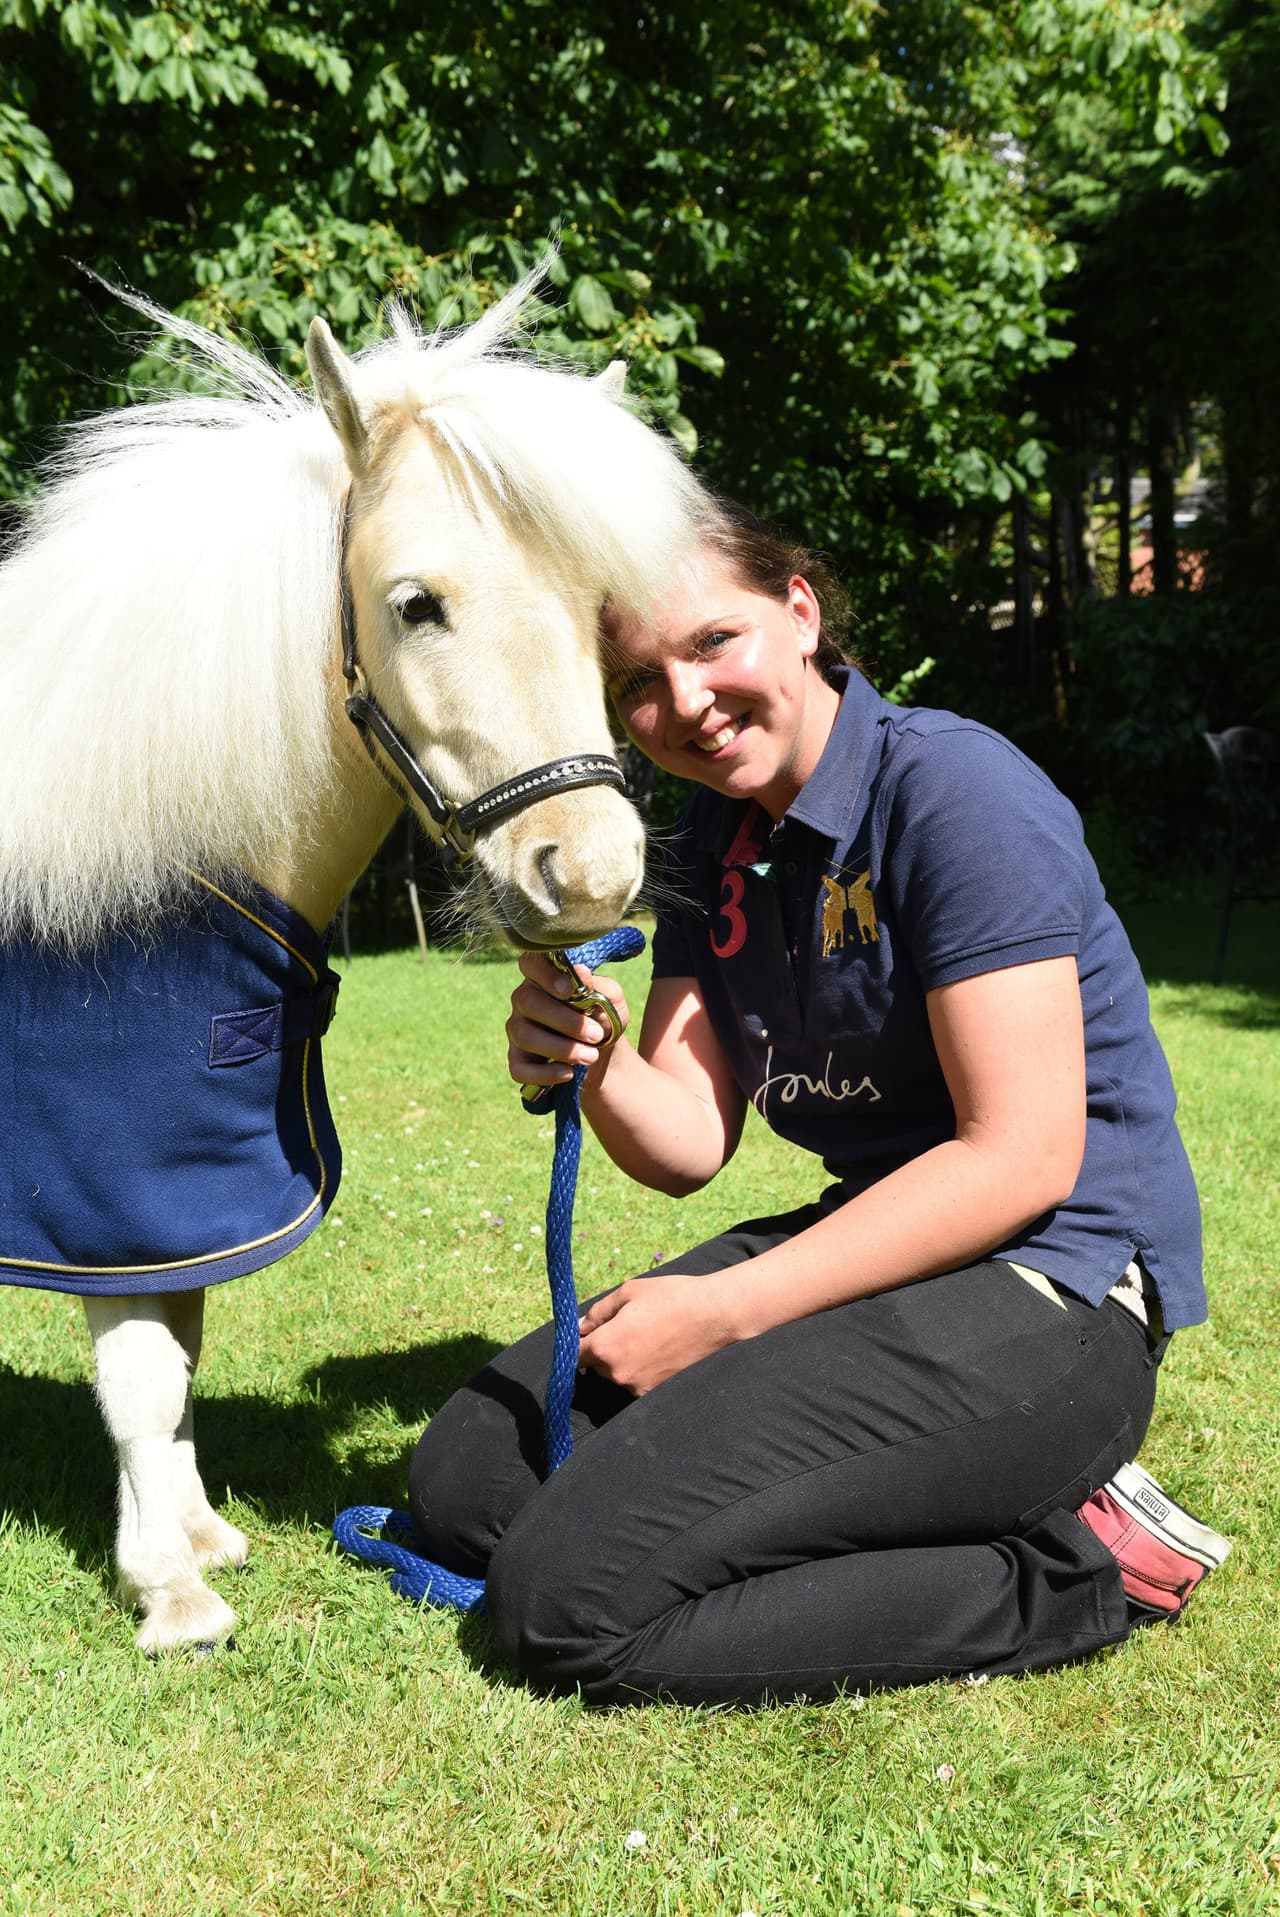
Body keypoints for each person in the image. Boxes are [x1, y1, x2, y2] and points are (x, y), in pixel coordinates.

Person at [407, 499, 1231, 1708]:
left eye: (709, 644)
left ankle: (1075, 1568)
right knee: (470, 1477)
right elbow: (687, 1140)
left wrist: (728, 1312)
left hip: (1053, 1288)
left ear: (798, 613)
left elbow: (1021, 1158)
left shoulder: (952, 792)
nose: (683, 703)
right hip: (885, 1249)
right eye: (637, 681)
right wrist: (598, 1062)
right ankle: (865, 1494)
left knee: (566, 1608)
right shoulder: (712, 831)